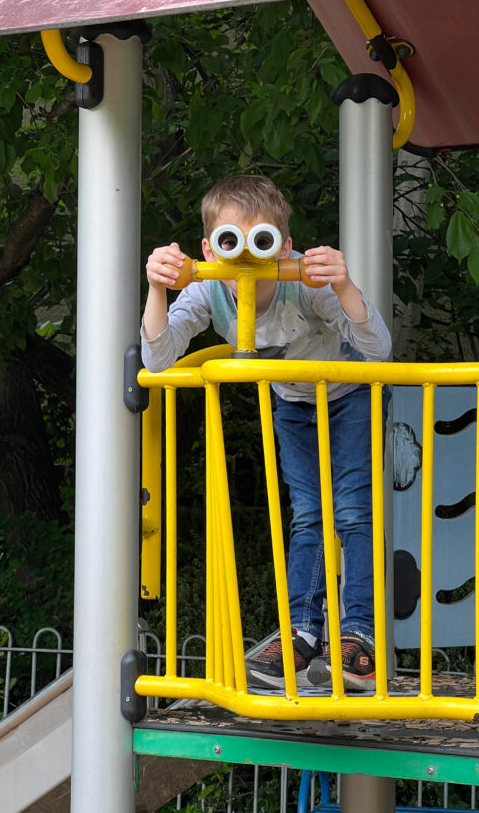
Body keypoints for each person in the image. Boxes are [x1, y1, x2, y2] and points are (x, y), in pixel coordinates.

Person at [141, 174, 391, 691]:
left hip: (352, 395)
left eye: (261, 243)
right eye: (231, 244)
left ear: (284, 247)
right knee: (307, 514)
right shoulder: (210, 289)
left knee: (351, 510)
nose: (248, 264)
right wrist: (158, 290)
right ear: (210, 249)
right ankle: (300, 633)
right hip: (296, 403)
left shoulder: (303, 285)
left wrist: (343, 285)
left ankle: (359, 638)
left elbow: (378, 349)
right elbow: (158, 358)